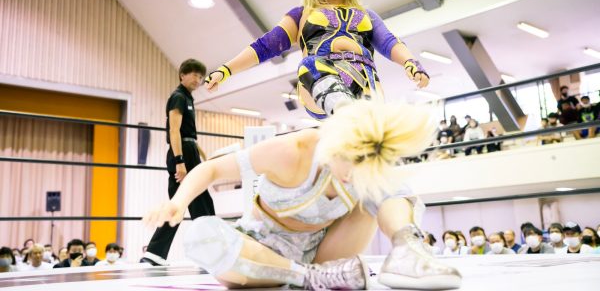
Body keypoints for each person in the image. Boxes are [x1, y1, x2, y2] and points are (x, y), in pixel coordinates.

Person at [144, 100, 461, 290]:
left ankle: (409, 249)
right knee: (201, 236)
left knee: (384, 187)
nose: (351, 176)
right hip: (263, 248)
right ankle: (308, 278)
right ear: (337, 144)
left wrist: (403, 236)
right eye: (350, 164)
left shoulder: (370, 165)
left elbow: (394, 193)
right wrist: (178, 202)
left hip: (324, 250)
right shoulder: (293, 150)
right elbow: (212, 169)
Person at [204, 0, 429, 119]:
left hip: (365, 79)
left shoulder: (366, 14)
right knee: (310, 64)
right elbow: (265, 46)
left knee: (366, 146)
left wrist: (412, 63)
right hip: (318, 79)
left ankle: (351, 120)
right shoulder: (301, 14)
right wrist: (225, 70)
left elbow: (389, 42)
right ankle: (343, 111)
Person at [141, 59, 215, 266]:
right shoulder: (178, 97)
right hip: (182, 154)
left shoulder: (188, 98)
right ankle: (212, 252)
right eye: (194, 75)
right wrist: (180, 162)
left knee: (181, 204)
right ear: (182, 75)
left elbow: (189, 135)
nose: (198, 79)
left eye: (201, 76)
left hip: (189, 150)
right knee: (200, 203)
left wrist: (204, 156)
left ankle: (154, 253)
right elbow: (174, 131)